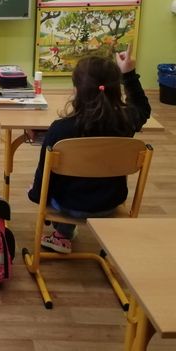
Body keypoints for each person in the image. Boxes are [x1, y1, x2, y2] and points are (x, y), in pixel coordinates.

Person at [28, 44, 151, 254]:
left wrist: (36, 196)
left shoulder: (60, 129)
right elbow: (143, 109)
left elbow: (43, 174)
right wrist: (129, 74)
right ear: (116, 88)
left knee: (62, 182)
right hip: (110, 203)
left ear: (76, 90)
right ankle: (84, 237)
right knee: (90, 172)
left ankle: (62, 234)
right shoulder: (127, 121)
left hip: (69, 205)